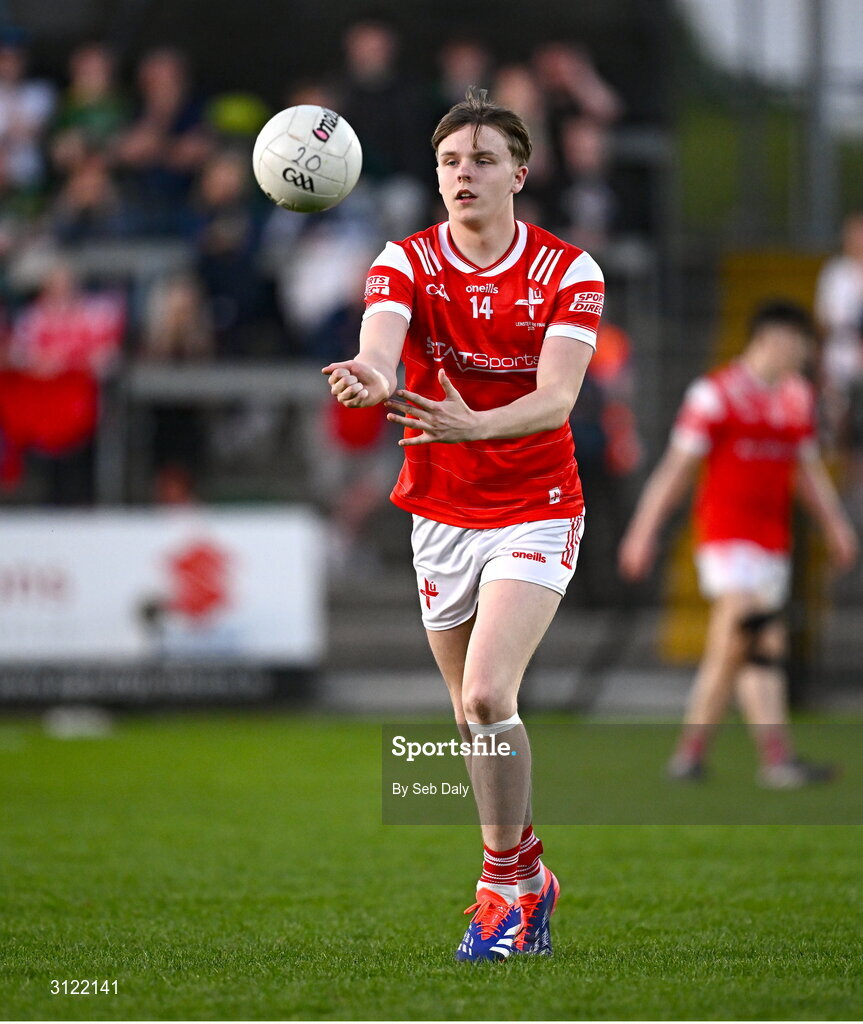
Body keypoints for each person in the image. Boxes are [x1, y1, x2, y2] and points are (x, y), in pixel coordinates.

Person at [322, 88, 604, 961]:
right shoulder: (403, 259)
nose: (463, 175)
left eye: (482, 160)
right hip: (440, 509)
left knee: (487, 694)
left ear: (519, 172)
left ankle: (498, 891)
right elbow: (380, 339)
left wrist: (474, 424)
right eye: (449, 161)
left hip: (535, 503)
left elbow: (556, 398)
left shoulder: (570, 269)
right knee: (468, 716)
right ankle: (525, 873)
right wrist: (371, 376)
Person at [618, 301, 858, 788]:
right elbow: (676, 470)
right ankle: (749, 757)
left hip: (772, 541)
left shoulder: (797, 397)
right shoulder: (715, 394)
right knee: (750, 629)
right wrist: (643, 531)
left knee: (751, 646)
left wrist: (836, 525)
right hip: (726, 537)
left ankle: (716, 756)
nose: (806, 351)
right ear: (772, 339)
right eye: (800, 341)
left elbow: (806, 472)